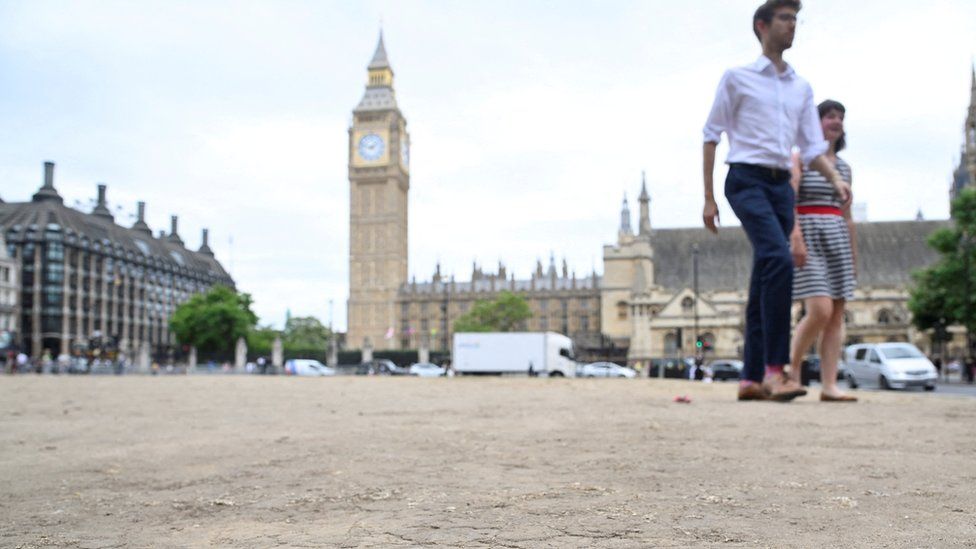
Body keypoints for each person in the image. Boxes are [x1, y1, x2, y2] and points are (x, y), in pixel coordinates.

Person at [702, 0, 851, 401]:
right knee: (778, 259)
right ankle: (775, 369)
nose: (792, 26)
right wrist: (709, 198)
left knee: (762, 276)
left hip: (781, 185)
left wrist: (835, 177)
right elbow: (711, 134)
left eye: (795, 19)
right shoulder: (737, 78)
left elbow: (811, 145)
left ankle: (749, 379)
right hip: (746, 179)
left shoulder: (801, 87)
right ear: (761, 26)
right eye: (785, 18)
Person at [787, 99, 858, 402]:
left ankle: (829, 385)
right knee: (819, 310)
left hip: (837, 236)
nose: (836, 121)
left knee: (836, 316)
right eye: (829, 116)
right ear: (814, 124)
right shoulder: (800, 158)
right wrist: (795, 236)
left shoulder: (844, 167)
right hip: (809, 232)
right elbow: (789, 199)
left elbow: (847, 215)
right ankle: (792, 373)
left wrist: (853, 257)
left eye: (840, 117)